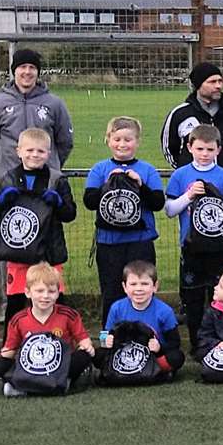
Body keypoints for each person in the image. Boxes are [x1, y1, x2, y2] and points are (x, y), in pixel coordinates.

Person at [163, 124, 223, 338]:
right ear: (190, 147)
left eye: (209, 149)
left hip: (220, 247)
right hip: (191, 247)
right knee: (193, 298)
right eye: (200, 149)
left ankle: (221, 339)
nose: (204, 154)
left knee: (221, 296)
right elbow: (170, 210)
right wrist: (188, 196)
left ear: (218, 149)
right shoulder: (180, 175)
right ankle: (197, 341)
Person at [82, 117, 166, 321]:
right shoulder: (100, 169)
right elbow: (89, 201)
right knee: (111, 292)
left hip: (140, 241)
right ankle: (109, 338)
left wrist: (140, 186)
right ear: (108, 140)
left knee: (142, 291)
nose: (122, 144)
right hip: (109, 243)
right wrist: (107, 184)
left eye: (128, 140)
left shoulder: (147, 170)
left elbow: (157, 203)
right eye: (117, 139)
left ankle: (147, 336)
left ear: (137, 142)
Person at [0, 127, 78, 321]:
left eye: (40, 151)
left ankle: (60, 341)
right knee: (15, 304)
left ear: (48, 154)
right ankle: (10, 347)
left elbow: (70, 214)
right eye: (29, 150)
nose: (35, 155)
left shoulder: (57, 179)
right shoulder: (8, 178)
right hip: (18, 252)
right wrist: (2, 200)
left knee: (54, 302)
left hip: (49, 253)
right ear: (19, 151)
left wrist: (58, 203)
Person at [0, 263, 94, 397]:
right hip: (31, 368)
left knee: (83, 357)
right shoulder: (18, 319)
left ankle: (23, 389)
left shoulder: (69, 315)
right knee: (0, 365)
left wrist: (87, 347)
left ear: (58, 292)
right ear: (28, 292)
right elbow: (9, 351)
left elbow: (85, 341)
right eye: (39, 291)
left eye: (51, 291)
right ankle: (57, 386)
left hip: (59, 366)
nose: (45, 296)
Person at [0, 47, 74, 190]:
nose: (27, 72)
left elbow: (65, 143)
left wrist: (49, 163)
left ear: (38, 72)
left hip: (46, 182)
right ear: (14, 71)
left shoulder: (55, 104)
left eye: (32, 67)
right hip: (9, 181)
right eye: (22, 67)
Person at [163, 61, 223, 182]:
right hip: (192, 183)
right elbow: (169, 148)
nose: (218, 86)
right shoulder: (180, 114)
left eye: (220, 81)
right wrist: (185, 167)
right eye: (212, 82)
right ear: (198, 85)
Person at [99, 260, 186, 380]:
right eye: (133, 284)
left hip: (153, 354)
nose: (139, 289)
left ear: (155, 286)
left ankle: (153, 370)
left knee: (177, 357)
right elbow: (104, 335)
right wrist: (106, 341)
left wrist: (159, 347)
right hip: (124, 355)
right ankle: (155, 374)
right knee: (98, 355)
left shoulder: (165, 311)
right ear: (124, 287)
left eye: (144, 284)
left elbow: (175, 343)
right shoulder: (116, 308)